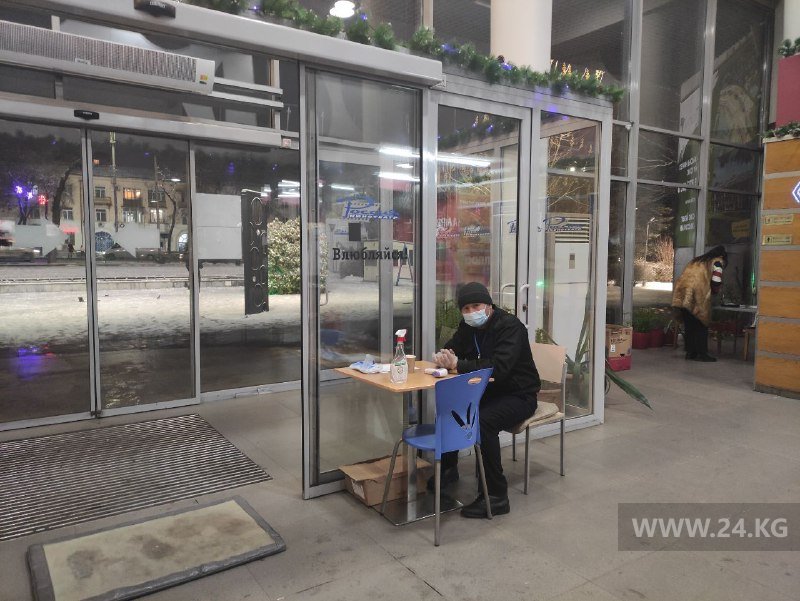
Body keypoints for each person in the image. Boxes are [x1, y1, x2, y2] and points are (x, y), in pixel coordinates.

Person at [431, 281, 540, 518]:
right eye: (466, 308)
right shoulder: (468, 327)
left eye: (476, 306)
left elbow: (499, 368)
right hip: (489, 392)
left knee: (482, 421)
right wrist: (445, 356)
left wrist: (458, 365)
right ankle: (448, 469)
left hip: (519, 395)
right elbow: (453, 347)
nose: (471, 312)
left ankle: (496, 496)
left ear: (489, 305)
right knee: (453, 407)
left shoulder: (510, 327)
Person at [671, 245, 727, 362]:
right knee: (701, 324)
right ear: (722, 256)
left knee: (689, 325)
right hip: (697, 295)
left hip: (682, 293)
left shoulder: (696, 261)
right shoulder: (717, 261)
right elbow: (716, 280)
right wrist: (715, 292)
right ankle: (702, 354)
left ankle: (690, 353)